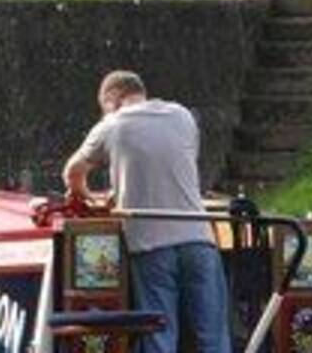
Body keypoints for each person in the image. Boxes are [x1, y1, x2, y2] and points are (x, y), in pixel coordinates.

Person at [63, 71, 229, 353]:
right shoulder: (183, 116)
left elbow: (73, 173)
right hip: (198, 239)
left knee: (159, 334)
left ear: (112, 100)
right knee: (212, 336)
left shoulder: (112, 125)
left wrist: (90, 197)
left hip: (152, 245)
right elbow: (174, 164)